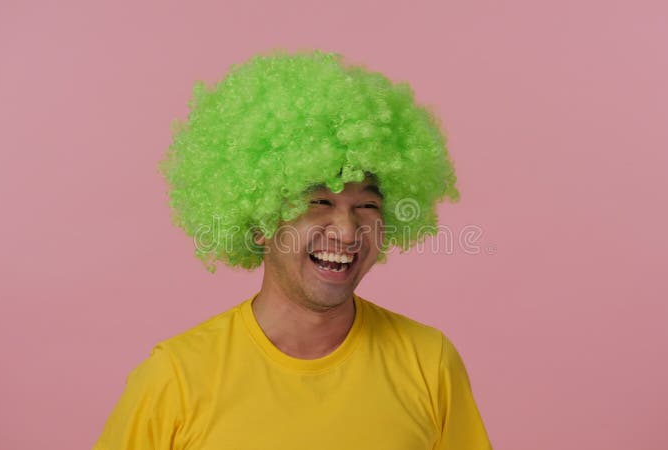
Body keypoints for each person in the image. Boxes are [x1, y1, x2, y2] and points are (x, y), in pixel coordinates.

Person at [93, 50, 492, 449]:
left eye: (367, 206)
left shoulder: (428, 363)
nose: (347, 231)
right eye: (318, 202)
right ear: (263, 223)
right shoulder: (175, 378)